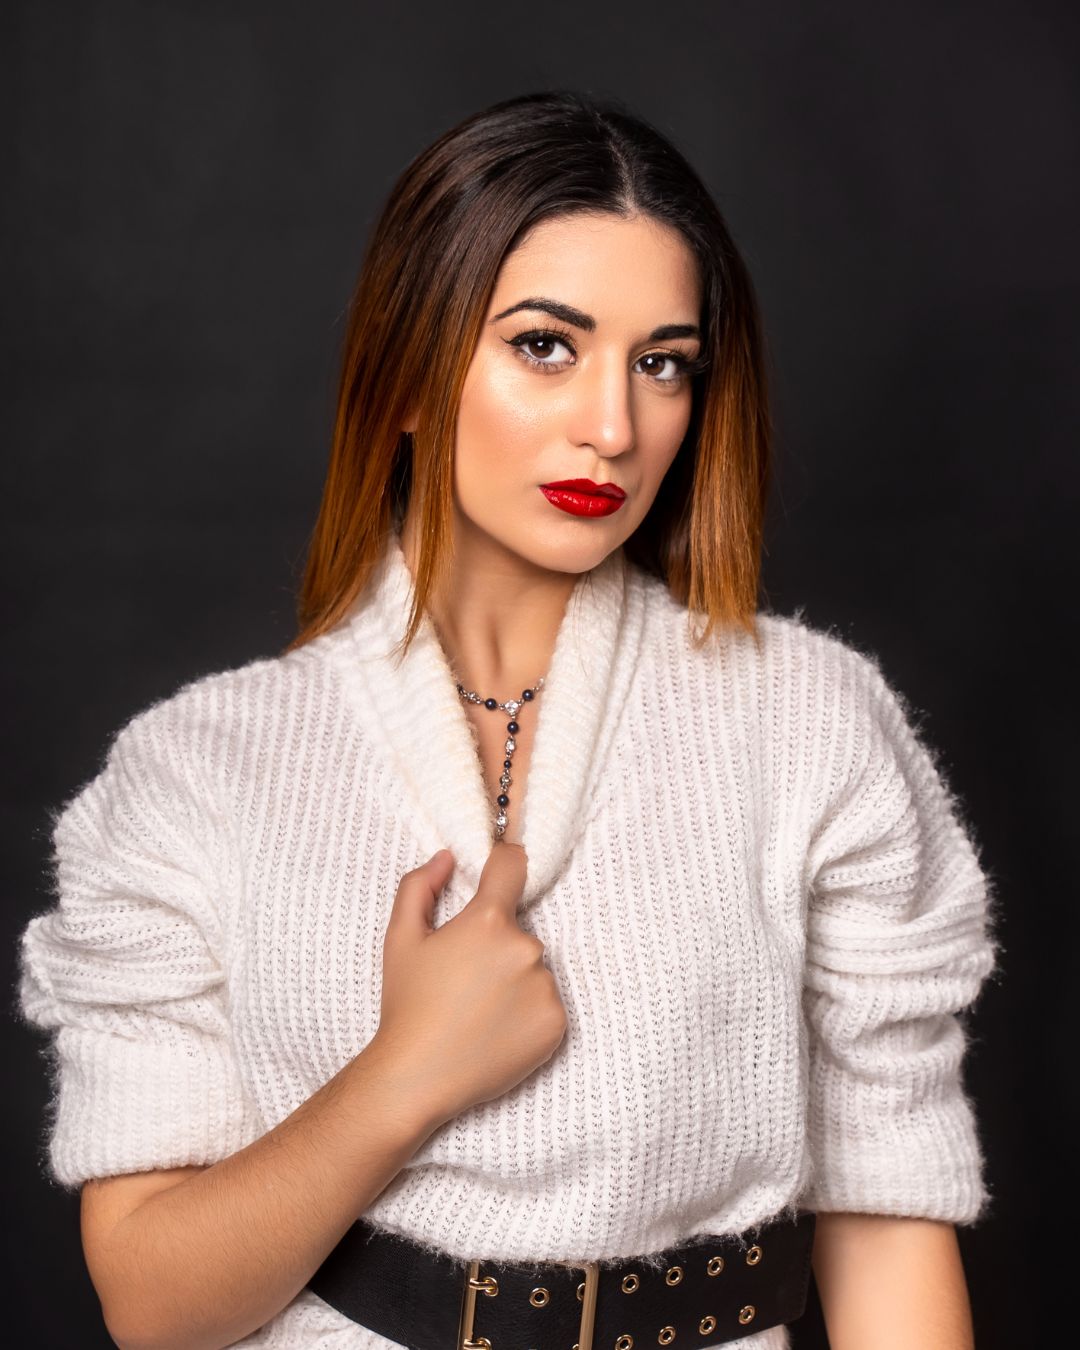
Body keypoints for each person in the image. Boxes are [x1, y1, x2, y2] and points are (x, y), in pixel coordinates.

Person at [17, 90, 999, 1350]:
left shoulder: (812, 722)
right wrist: (405, 1075)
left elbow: (888, 1226)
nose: (614, 426)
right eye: (546, 346)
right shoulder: (191, 773)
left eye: (662, 363)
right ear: (408, 373)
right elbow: (153, 1304)